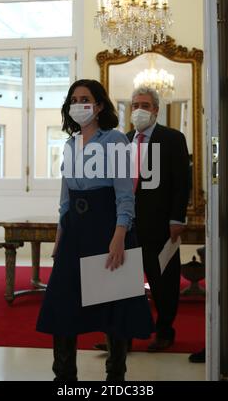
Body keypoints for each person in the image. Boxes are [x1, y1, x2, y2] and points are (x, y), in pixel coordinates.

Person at [36, 79, 154, 381]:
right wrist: (58, 241)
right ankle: (63, 378)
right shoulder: (69, 144)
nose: (78, 104)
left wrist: (119, 237)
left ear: (99, 105)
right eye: (73, 99)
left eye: (85, 98)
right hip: (74, 231)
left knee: (112, 307)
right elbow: (65, 200)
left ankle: (115, 377)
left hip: (107, 229)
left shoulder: (114, 140)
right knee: (63, 306)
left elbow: (125, 195)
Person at [94, 86, 190, 353]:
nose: (139, 110)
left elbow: (182, 183)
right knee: (123, 282)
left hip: (160, 225)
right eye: (135, 105)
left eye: (145, 105)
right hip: (126, 225)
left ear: (156, 110)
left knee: (163, 283)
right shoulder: (122, 140)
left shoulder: (172, 139)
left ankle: (164, 332)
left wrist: (177, 218)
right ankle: (122, 337)